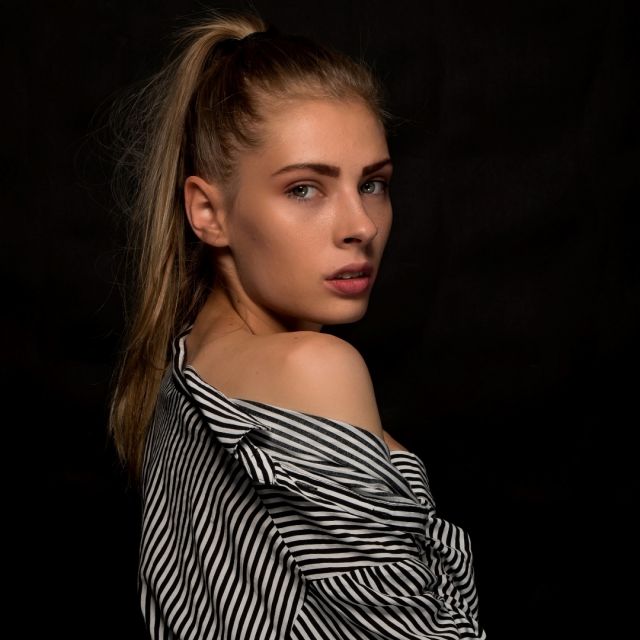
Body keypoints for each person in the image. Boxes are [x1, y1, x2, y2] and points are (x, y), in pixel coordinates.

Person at [108, 10, 486, 639]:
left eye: (373, 184)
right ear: (208, 212)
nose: (360, 226)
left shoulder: (183, 365)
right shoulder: (314, 369)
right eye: (305, 189)